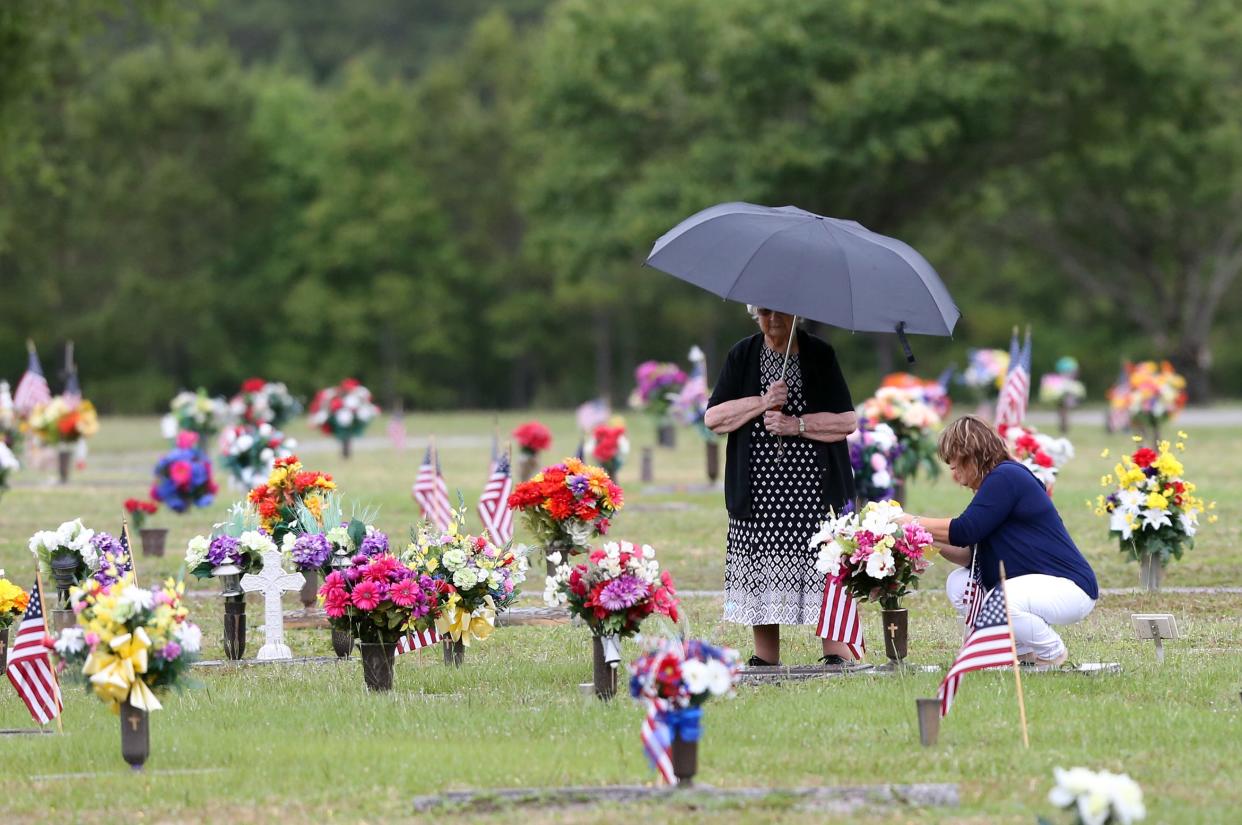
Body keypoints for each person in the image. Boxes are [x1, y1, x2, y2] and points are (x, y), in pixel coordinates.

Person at [704, 307, 858, 667]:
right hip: (756, 491)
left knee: (823, 560)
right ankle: (765, 656)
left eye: (782, 313)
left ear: (797, 315)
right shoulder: (742, 354)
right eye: (765, 312)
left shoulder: (820, 354)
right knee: (762, 563)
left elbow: (847, 420)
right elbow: (714, 417)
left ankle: (835, 653)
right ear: (753, 314)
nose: (773, 319)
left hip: (814, 488)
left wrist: (796, 425)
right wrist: (762, 403)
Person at [900, 415, 1098, 666]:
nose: (956, 474)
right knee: (959, 583)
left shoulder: (1006, 476)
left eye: (956, 465)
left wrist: (909, 521)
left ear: (970, 453)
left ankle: (1051, 652)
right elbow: (970, 555)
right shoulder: (996, 481)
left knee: (1000, 599)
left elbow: (965, 530)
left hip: (1071, 588)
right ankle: (1021, 650)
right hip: (1038, 585)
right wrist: (926, 538)